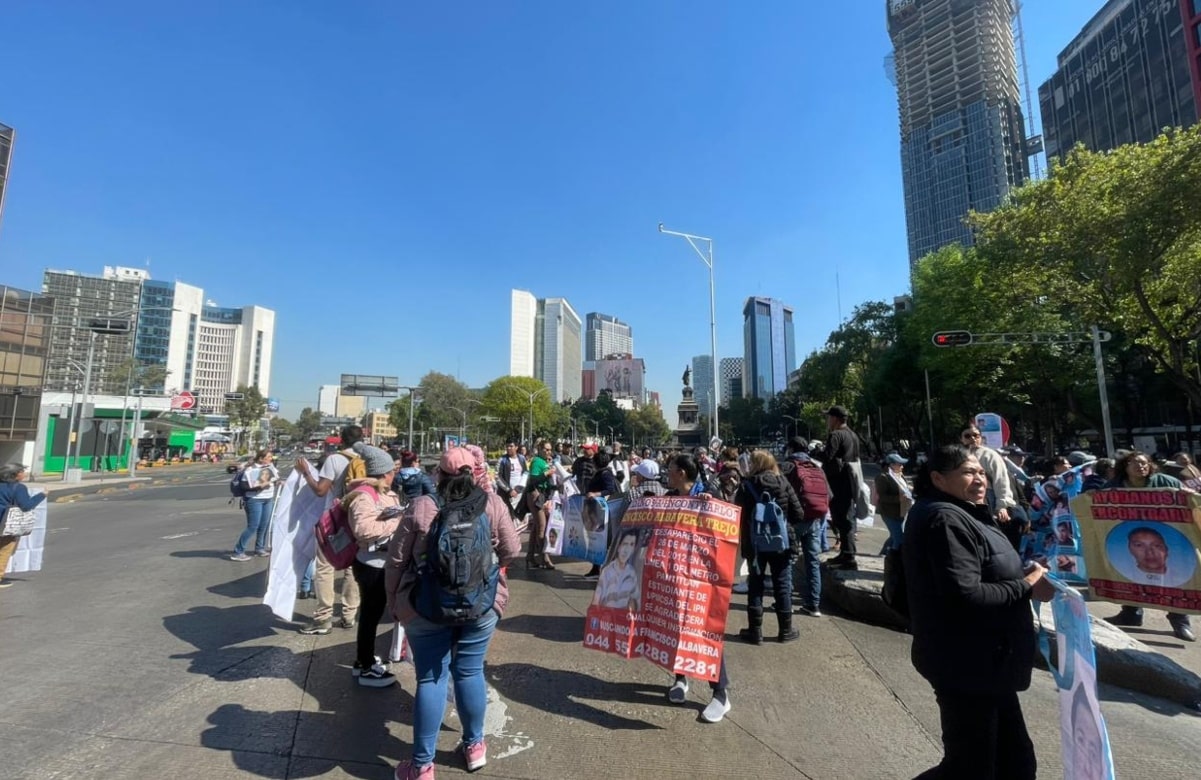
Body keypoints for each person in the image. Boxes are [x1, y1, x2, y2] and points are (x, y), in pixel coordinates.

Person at [904, 445, 1055, 779]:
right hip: (967, 663)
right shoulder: (944, 518)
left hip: (989, 662)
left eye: (981, 472)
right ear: (938, 478)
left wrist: (1025, 569)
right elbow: (965, 594)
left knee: (1014, 763)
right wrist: (1027, 584)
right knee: (971, 768)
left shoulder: (965, 512)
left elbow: (987, 565)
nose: (978, 479)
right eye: (967, 472)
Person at [385, 447, 520, 779]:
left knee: (431, 678)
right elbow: (512, 548)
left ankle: (422, 766)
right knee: (470, 672)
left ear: (438, 475)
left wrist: (394, 602)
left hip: (427, 605)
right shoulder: (491, 504)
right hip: (480, 606)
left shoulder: (422, 507)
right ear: (475, 473)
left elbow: (396, 562)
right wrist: (489, 570)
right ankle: (474, 747)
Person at [663, 453, 732, 723]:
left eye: (670, 469)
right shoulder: (671, 497)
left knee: (706, 632)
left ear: (681, 473)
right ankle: (680, 678)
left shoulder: (709, 494)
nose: (666, 472)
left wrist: (711, 505)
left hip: (703, 578)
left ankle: (720, 693)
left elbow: (727, 526)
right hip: (677, 574)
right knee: (678, 628)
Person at [1103, 451, 1196, 642]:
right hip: (1130, 533)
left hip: (1165, 534)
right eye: (1136, 463)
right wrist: (1090, 495)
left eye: (1145, 463)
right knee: (1129, 572)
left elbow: (1188, 499)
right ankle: (1131, 613)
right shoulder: (1115, 485)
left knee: (1172, 577)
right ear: (1125, 467)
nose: (1141, 467)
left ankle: (1180, 620)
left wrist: (1188, 494)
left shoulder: (1166, 481)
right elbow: (1096, 501)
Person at [293, 426, 365, 635]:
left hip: (333, 519)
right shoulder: (366, 458)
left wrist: (306, 473)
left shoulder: (334, 459)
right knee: (353, 566)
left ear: (342, 440)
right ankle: (349, 614)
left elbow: (320, 490)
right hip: (358, 517)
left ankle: (323, 617)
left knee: (325, 566)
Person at [344, 443, 404, 687]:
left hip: (380, 562)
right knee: (370, 615)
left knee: (372, 614)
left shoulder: (382, 493)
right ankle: (366, 666)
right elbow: (363, 529)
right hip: (371, 565)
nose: (394, 474)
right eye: (391, 470)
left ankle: (364, 658)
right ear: (384, 473)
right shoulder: (364, 496)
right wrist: (397, 524)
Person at [736, 451, 804, 644]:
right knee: (782, 585)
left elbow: (737, 514)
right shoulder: (783, 482)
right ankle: (785, 630)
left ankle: (755, 631)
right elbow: (798, 513)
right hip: (780, 542)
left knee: (755, 584)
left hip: (755, 543)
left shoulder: (746, 485)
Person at [780, 437, 828, 618]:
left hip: (793, 519)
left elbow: (779, 491)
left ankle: (786, 602)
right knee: (813, 562)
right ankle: (814, 605)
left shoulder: (788, 466)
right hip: (814, 520)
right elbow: (828, 495)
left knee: (788, 560)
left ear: (791, 448)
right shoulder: (816, 467)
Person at [822, 405, 861, 569]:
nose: (827, 420)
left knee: (842, 518)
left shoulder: (836, 435)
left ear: (835, 419)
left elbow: (827, 456)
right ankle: (846, 553)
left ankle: (849, 556)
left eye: (829, 417)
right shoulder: (853, 435)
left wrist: (815, 454)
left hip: (837, 481)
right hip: (850, 480)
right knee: (846, 517)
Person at [0, 462, 47, 587]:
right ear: (15, 475)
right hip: (5, 523)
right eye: (22, 471)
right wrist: (42, 495)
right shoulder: (18, 488)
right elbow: (26, 506)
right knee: (4, 550)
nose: (24, 474)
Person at [230, 450, 279, 561]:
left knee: (264, 525)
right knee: (253, 526)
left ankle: (259, 548)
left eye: (271, 457)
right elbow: (244, 486)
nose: (271, 459)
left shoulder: (271, 468)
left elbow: (274, 480)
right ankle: (238, 551)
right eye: (268, 457)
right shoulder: (251, 469)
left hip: (268, 498)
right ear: (261, 458)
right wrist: (260, 486)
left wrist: (278, 482)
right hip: (254, 499)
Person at [524, 440, 558, 569]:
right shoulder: (536, 462)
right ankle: (545, 557)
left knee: (536, 528)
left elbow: (547, 482)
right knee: (542, 527)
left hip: (542, 494)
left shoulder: (544, 462)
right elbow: (533, 479)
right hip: (535, 494)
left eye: (550, 449)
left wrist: (555, 486)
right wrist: (546, 473)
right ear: (539, 448)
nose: (548, 452)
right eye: (545, 449)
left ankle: (530, 556)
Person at [592, 527, 641, 610]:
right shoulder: (607, 572)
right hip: (607, 618)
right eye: (625, 544)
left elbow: (636, 600)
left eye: (631, 545)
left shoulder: (631, 573)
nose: (626, 550)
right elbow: (596, 601)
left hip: (622, 620)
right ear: (618, 547)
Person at [873, 453, 912, 555]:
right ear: (891, 465)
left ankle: (884, 553)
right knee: (899, 539)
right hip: (889, 513)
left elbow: (903, 488)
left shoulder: (900, 475)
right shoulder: (883, 477)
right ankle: (894, 559)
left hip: (901, 511)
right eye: (900, 464)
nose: (902, 466)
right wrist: (898, 498)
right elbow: (882, 497)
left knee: (894, 536)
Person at [495, 442, 527, 518]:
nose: (508, 448)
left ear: (516, 447)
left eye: (511, 446)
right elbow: (497, 476)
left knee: (518, 517)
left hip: (519, 493)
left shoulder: (522, 458)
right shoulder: (502, 460)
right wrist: (509, 490)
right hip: (506, 494)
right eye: (507, 446)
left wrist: (518, 489)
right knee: (507, 516)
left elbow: (525, 473)